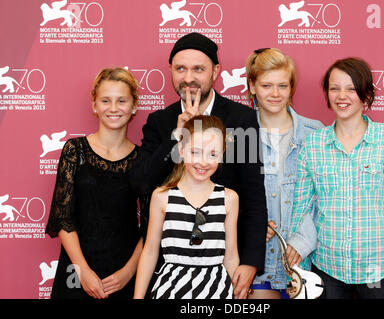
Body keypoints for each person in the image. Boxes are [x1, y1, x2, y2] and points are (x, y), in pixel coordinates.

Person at [130, 32, 267, 299]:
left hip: (222, 265)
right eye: (180, 68)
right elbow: (140, 183)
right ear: (170, 70)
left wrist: (250, 261)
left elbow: (253, 195)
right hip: (168, 273)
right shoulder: (159, 121)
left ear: (216, 71)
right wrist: (176, 137)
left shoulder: (242, 119)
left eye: (198, 69)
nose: (188, 77)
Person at [290, 57, 384, 299]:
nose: (341, 96)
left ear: (365, 95)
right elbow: (301, 211)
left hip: (377, 270)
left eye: (351, 88)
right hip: (327, 269)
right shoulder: (313, 144)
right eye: (334, 88)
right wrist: (300, 277)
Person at [45, 67, 143, 299]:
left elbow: (151, 225)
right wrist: (82, 270)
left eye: (122, 100)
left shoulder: (142, 159)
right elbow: (63, 218)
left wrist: (129, 272)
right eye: (105, 100)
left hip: (123, 275)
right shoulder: (74, 150)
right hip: (76, 272)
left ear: (134, 106)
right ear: (94, 105)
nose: (113, 108)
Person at [244, 48, 323, 299]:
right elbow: (227, 192)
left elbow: (326, 198)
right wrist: (251, 225)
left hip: (303, 262)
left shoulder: (315, 134)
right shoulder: (239, 134)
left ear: (292, 88)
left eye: (282, 85)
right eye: (266, 85)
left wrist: (303, 240)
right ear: (253, 87)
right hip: (257, 262)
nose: (275, 94)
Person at [134, 115, 239, 299]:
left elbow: (231, 255)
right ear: (181, 150)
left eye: (212, 154)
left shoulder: (229, 198)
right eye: (195, 152)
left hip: (217, 291)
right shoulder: (162, 197)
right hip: (170, 289)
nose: (203, 162)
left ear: (222, 154)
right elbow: (150, 251)